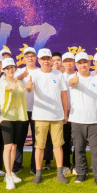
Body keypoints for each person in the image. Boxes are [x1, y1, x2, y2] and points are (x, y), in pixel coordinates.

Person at [27, 48, 69, 184]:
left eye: (48, 59)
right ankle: (38, 174)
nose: (46, 61)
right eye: (43, 59)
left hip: (57, 116)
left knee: (58, 145)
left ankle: (60, 173)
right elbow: (29, 89)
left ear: (51, 60)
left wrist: (65, 113)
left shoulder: (58, 74)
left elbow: (64, 95)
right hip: (40, 116)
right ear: (39, 60)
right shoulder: (34, 74)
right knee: (39, 146)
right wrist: (28, 86)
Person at [69, 53, 97, 187]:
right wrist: (73, 81)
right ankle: (81, 173)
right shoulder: (72, 77)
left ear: (89, 63)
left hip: (95, 120)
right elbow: (70, 83)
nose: (82, 65)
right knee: (79, 148)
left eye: (85, 62)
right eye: (79, 63)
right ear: (76, 64)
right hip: (77, 119)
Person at [13, 47, 44, 175]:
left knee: (37, 139)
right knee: (19, 138)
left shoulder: (41, 71)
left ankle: (34, 166)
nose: (30, 58)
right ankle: (16, 165)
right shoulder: (18, 72)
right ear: (24, 58)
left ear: (36, 58)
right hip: (22, 109)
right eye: (27, 56)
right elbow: (12, 84)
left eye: (32, 56)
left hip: (38, 109)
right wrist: (22, 76)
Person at [0, 58, 28, 189]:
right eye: (7, 68)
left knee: (15, 146)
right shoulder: (3, 83)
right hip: (7, 117)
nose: (10, 70)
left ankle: (9, 173)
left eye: (12, 67)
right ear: (4, 70)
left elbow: (22, 99)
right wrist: (11, 87)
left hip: (18, 117)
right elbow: (7, 88)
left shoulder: (20, 83)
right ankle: (9, 176)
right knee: (8, 146)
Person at [61, 51, 76, 173]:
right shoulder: (60, 76)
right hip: (64, 113)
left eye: (71, 60)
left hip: (78, 113)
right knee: (65, 140)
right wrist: (65, 109)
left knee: (78, 141)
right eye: (66, 61)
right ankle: (65, 165)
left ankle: (77, 165)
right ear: (62, 63)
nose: (69, 63)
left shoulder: (80, 75)